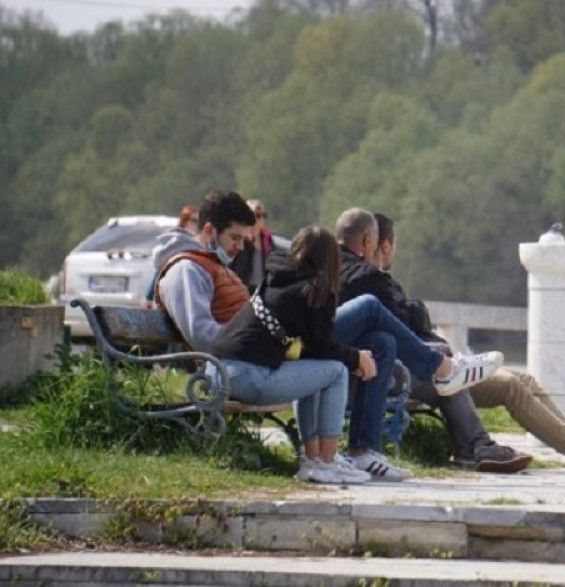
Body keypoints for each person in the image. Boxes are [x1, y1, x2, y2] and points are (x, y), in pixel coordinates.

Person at [153, 190, 503, 481]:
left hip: (268, 349)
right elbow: (204, 336)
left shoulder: (217, 265)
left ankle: (364, 451)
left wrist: (269, 332)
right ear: (210, 230)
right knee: (367, 308)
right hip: (247, 360)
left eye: (245, 239)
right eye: (235, 239)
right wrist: (265, 334)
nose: (242, 248)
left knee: (382, 343)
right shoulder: (187, 268)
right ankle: (442, 369)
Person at [338, 211, 565, 474]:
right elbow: (401, 333)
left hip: (423, 367)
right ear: (379, 243)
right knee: (511, 385)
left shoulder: (370, 280)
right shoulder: (369, 281)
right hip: (414, 373)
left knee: (524, 378)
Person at [210, 226, 371, 484]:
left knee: (319, 369)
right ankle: (326, 463)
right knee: (337, 371)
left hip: (216, 371)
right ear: (331, 260)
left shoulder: (278, 276)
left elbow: (315, 350)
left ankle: (312, 461)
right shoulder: (315, 288)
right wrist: (356, 358)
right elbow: (322, 346)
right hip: (247, 375)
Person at [140, 204, 199, 309]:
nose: (197, 225)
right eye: (194, 220)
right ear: (184, 222)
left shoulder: (200, 244)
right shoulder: (176, 243)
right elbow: (160, 268)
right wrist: (148, 297)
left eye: (200, 221)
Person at [232, 199, 276, 292]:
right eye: (257, 215)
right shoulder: (240, 237)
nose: (261, 219)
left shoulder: (267, 239)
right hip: (242, 288)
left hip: (262, 289)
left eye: (263, 215)